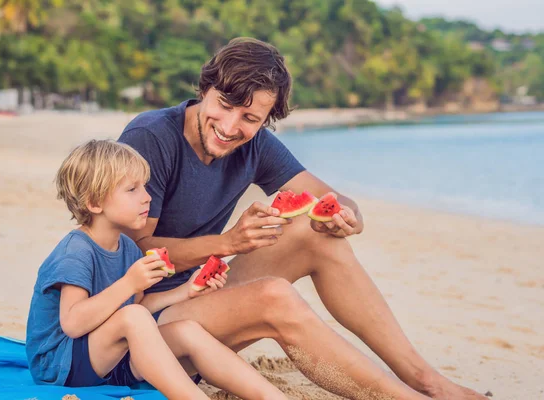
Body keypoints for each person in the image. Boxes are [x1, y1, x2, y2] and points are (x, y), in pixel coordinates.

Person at [118, 38, 487, 399]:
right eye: (225, 104)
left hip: (197, 301)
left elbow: (333, 198)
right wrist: (228, 243)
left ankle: (425, 380)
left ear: (266, 120)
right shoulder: (152, 137)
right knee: (274, 296)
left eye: (250, 118)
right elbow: (135, 250)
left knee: (315, 235)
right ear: (206, 88)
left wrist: (346, 217)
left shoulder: (254, 145)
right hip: (138, 330)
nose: (231, 127)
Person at [25, 139, 287, 400]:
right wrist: (129, 283)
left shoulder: (126, 247)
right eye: (132, 189)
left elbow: (141, 303)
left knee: (187, 330)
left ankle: (272, 397)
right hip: (60, 365)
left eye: (145, 187)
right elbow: (72, 323)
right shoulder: (77, 250)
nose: (147, 197)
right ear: (94, 202)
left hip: (109, 361)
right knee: (133, 317)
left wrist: (187, 290)